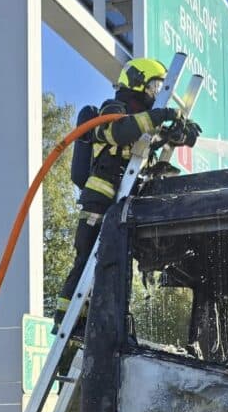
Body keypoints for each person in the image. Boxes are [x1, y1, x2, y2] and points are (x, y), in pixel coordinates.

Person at [52, 57, 200, 335]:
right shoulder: (113, 110)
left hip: (121, 204)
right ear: (139, 82)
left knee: (112, 266)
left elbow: (148, 141)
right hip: (100, 200)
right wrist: (160, 117)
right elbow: (120, 131)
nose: (156, 93)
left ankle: (104, 320)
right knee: (86, 260)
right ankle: (66, 320)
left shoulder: (141, 124)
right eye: (155, 86)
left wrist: (180, 134)